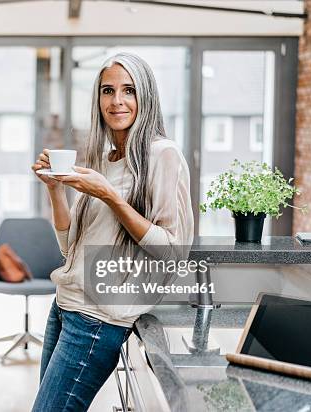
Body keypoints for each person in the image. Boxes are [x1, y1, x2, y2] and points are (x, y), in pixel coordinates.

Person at [30, 53, 193, 411]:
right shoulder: (105, 159)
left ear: (145, 96)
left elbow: (172, 251)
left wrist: (110, 195)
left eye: (128, 90)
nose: (117, 101)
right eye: (108, 90)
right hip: (64, 307)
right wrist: (54, 188)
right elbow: (69, 247)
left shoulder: (163, 155)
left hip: (98, 320)